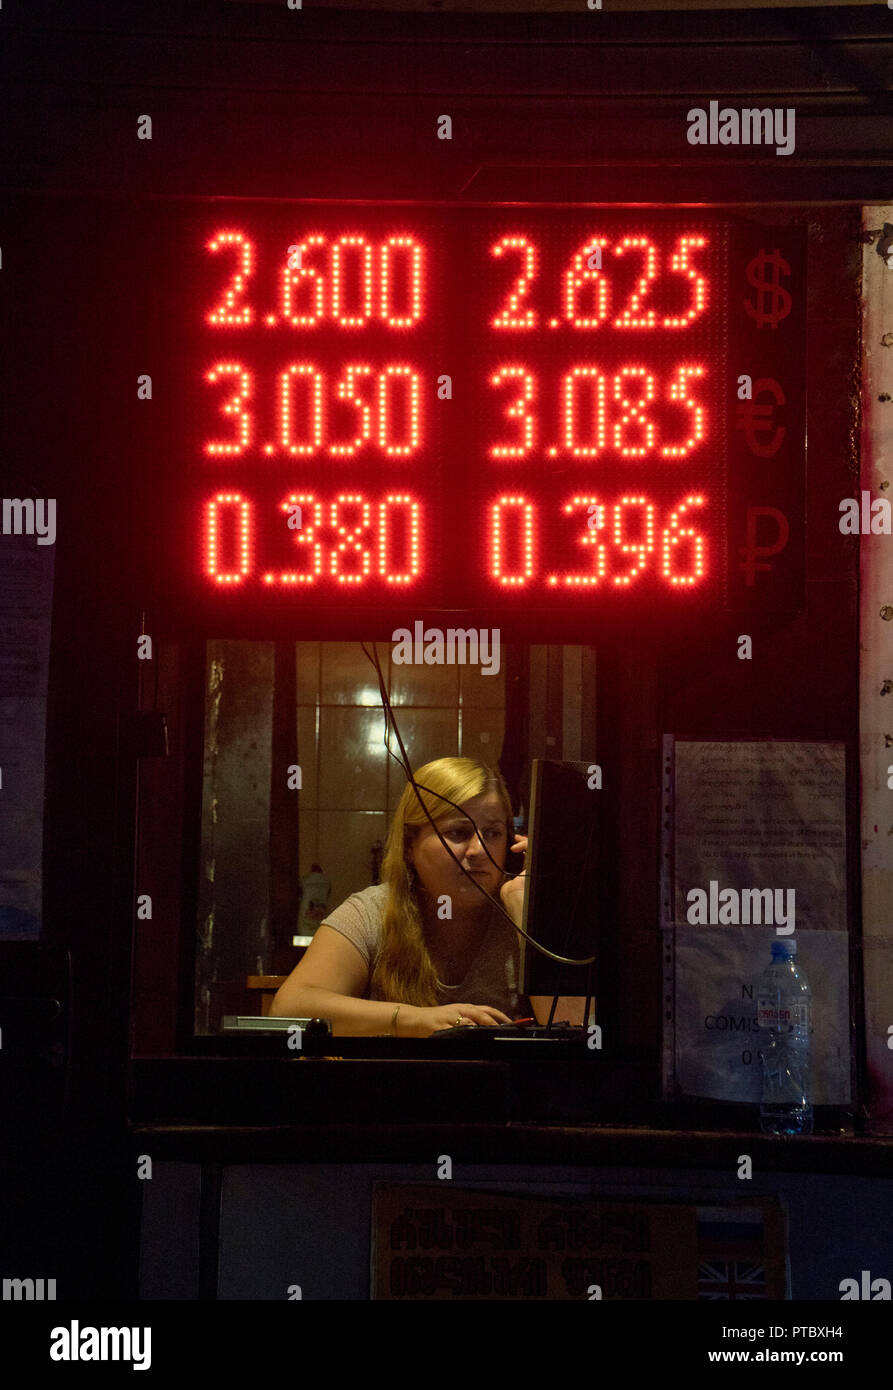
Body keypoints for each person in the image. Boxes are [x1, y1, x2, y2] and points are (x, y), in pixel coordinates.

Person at [269, 756, 530, 1035]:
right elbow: (288, 1009)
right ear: (409, 844)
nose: (478, 850)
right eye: (458, 832)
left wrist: (527, 910)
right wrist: (415, 1019)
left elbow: (578, 1031)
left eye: (493, 833)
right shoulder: (373, 912)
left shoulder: (520, 909)